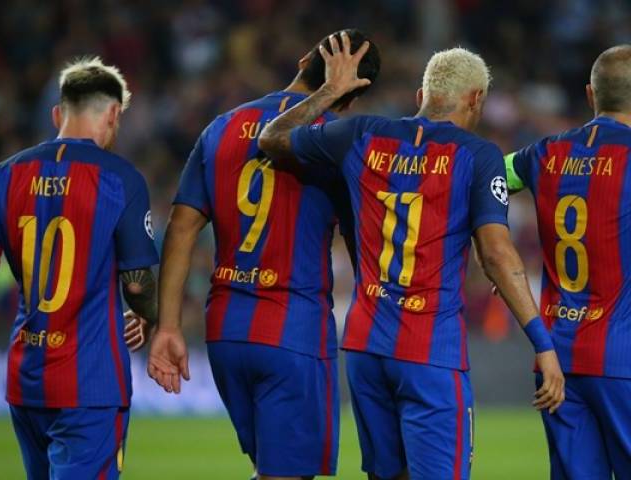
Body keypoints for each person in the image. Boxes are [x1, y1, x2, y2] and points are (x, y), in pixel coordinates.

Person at [259, 36, 565, 480]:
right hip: (430, 350)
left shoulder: (360, 133)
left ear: (422, 96)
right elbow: (497, 254)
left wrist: (328, 91)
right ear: (476, 99)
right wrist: (542, 342)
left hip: (365, 345)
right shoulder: (478, 156)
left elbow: (272, 139)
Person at [146, 29, 380, 480]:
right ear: (353, 95)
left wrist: (168, 325)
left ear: (300, 61)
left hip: (226, 329)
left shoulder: (221, 126)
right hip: (293, 327)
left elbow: (180, 227)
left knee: (273, 469)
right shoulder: (336, 139)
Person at [0, 57, 159, 479]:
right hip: (90, 381)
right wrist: (151, 318)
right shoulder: (121, 178)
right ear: (115, 113)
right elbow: (137, 285)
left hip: (25, 376)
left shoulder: (4, 176)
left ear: (57, 114)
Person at [505, 44, 631, 479]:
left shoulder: (542, 153)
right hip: (623, 357)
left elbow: (485, 176)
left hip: (557, 358)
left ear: (591, 95)